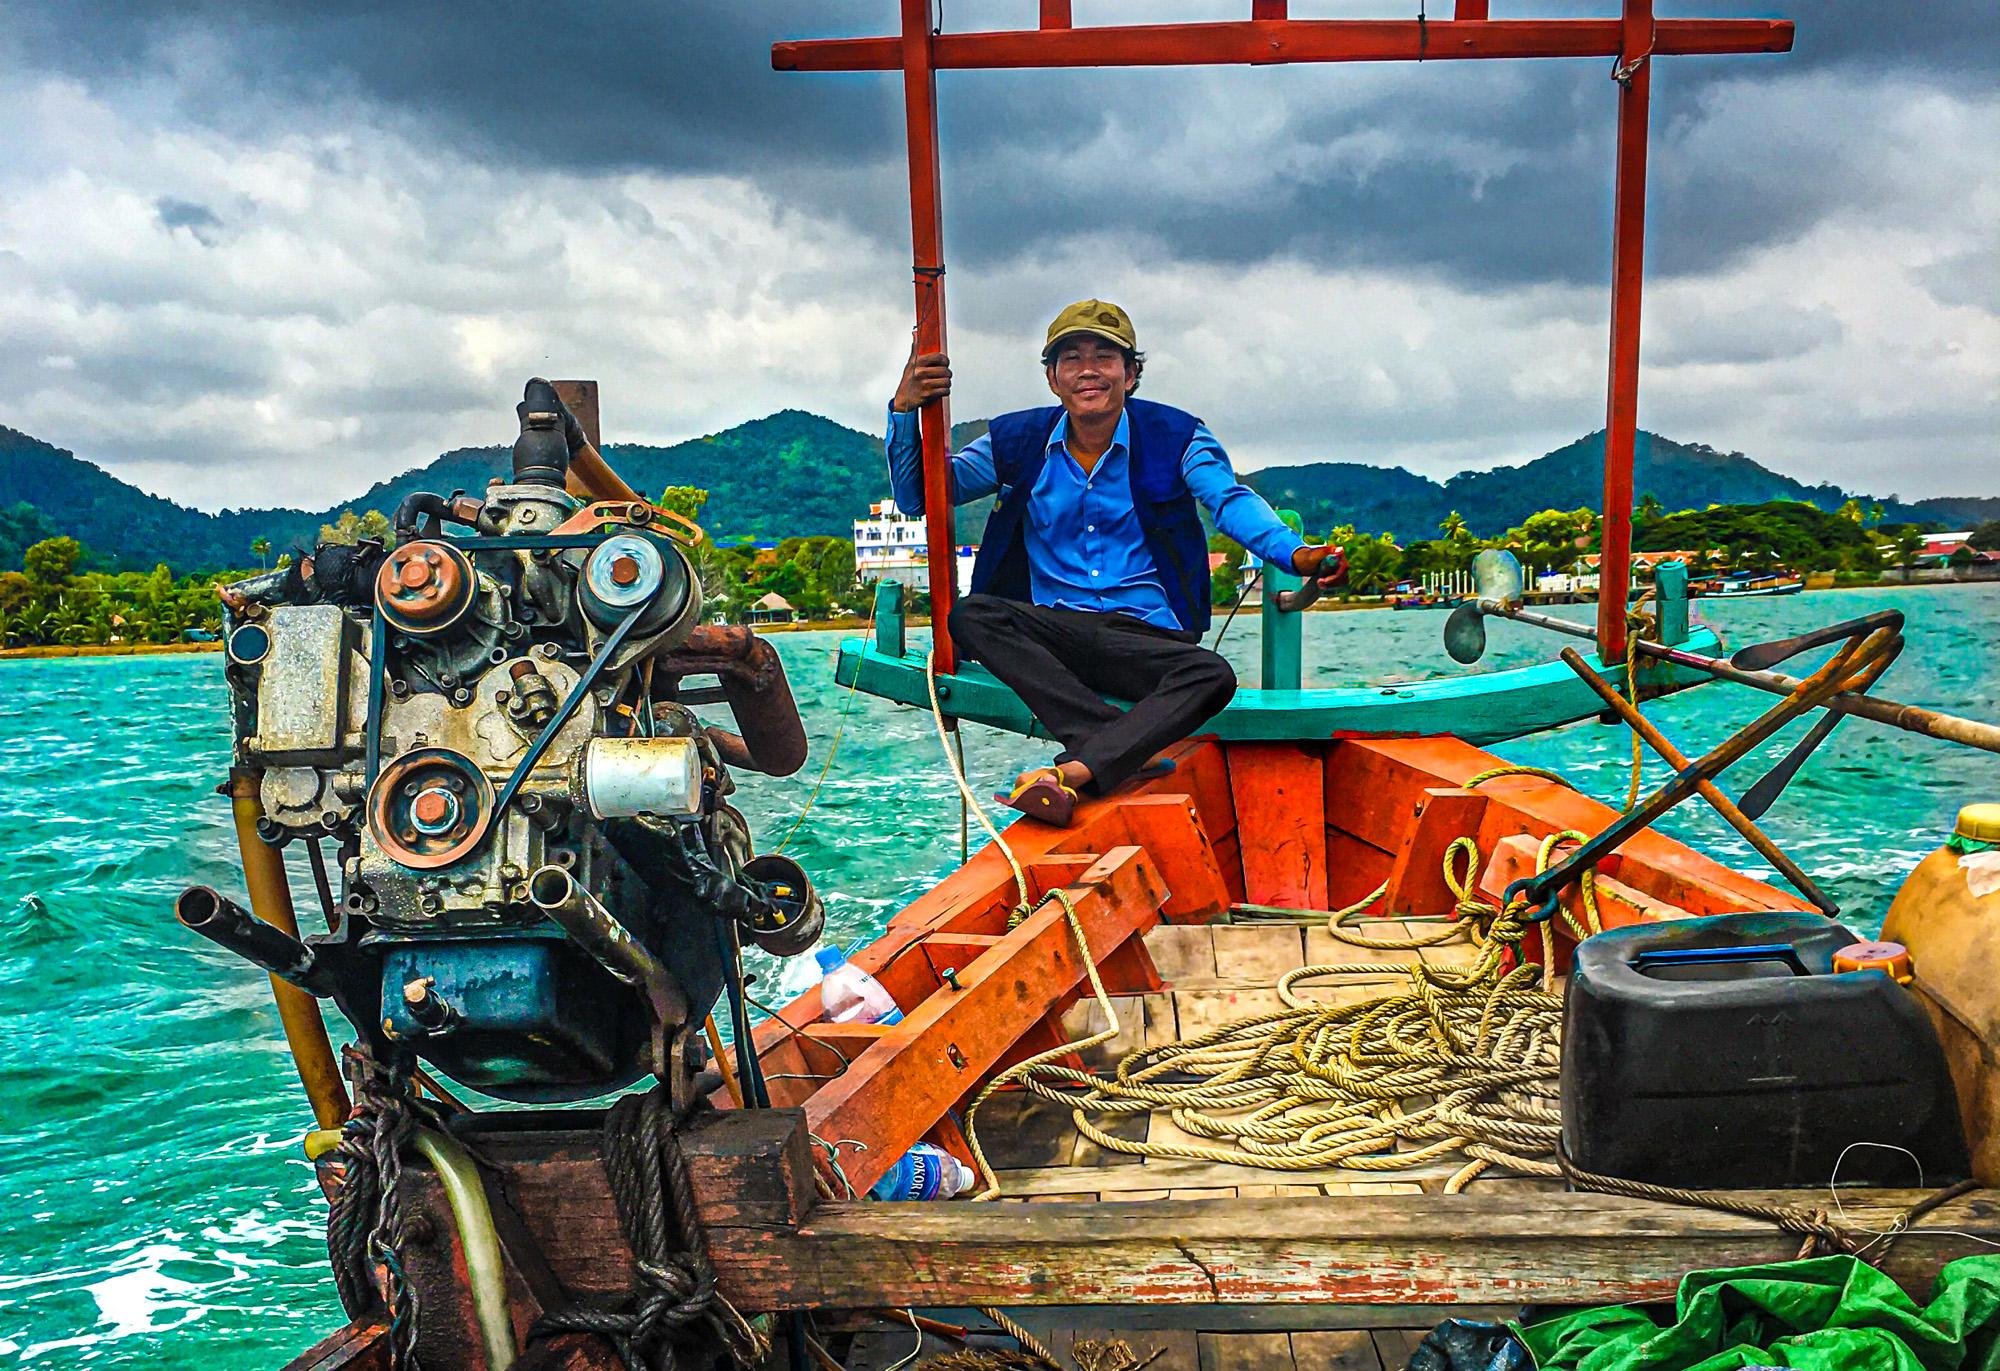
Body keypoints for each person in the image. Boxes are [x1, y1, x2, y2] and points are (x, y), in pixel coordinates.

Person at [886, 298, 1345, 825]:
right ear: (1053, 379)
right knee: (973, 615)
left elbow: (1229, 501)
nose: (1088, 370)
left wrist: (1298, 554)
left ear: (1130, 374)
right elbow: (923, 496)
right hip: (1058, 636)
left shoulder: (1177, 436)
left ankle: (1081, 765)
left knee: (1213, 674)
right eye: (1071, 358)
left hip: (1146, 637)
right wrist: (904, 409)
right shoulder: (1018, 440)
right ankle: (1118, 746)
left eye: (1105, 357)